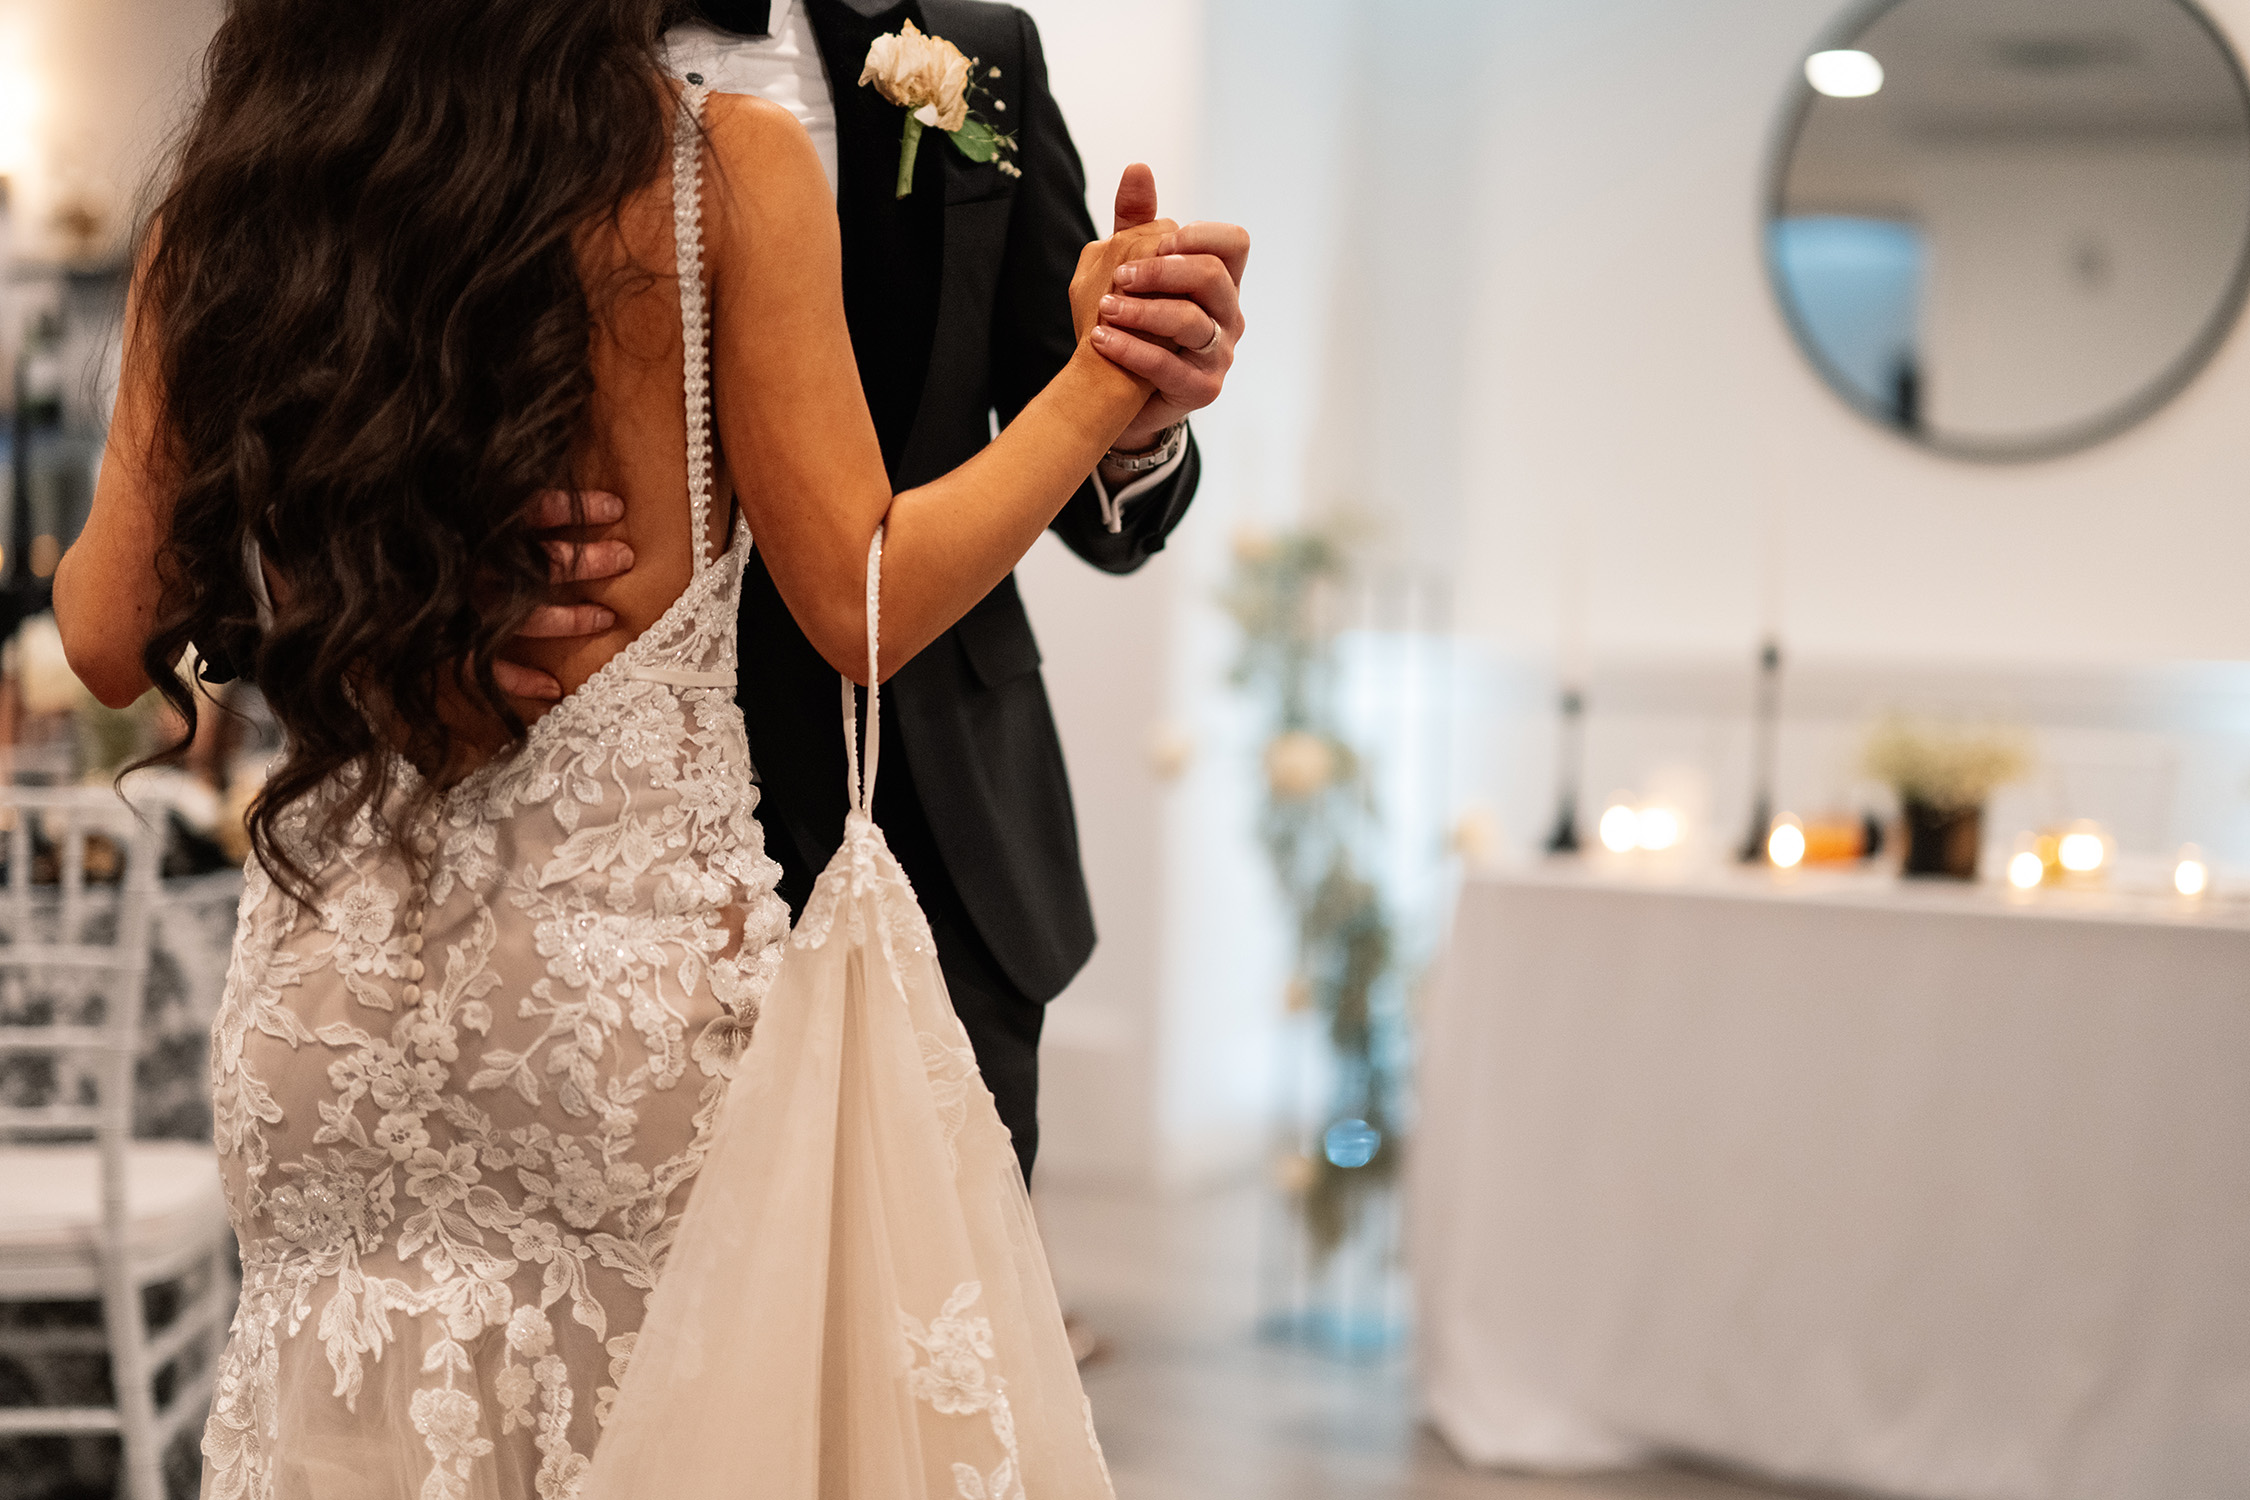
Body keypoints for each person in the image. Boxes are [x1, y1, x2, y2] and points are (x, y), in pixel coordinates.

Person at [51, 1, 1229, 1492]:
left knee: (355, 1394)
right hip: (611, 997)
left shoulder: (236, 202)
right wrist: (1098, 380)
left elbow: (104, 628)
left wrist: (357, 602)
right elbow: (862, 597)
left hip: (336, 1000)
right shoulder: (713, 168)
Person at [498, 0, 1248, 1184]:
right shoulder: (464, 73)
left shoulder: (978, 55)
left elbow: (1077, 456)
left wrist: (1131, 412)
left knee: (931, 1337)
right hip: (575, 818)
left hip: (932, 815)